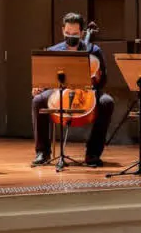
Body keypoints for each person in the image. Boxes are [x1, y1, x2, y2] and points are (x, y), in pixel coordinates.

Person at [31, 13, 115, 167]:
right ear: (63, 30)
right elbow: (46, 79)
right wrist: (39, 86)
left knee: (107, 102)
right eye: (68, 33)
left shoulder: (94, 50)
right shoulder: (54, 51)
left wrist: (96, 78)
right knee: (38, 100)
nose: (71, 36)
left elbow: (103, 81)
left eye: (75, 34)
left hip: (87, 90)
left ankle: (92, 153)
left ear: (82, 33)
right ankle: (42, 151)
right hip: (60, 90)